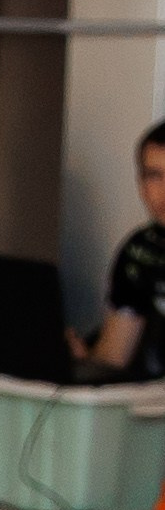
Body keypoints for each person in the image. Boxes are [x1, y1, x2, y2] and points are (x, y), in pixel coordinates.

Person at [73, 120, 165, 380]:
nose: (163, 192)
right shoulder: (140, 250)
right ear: (140, 183)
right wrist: (80, 359)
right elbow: (112, 359)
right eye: (154, 176)